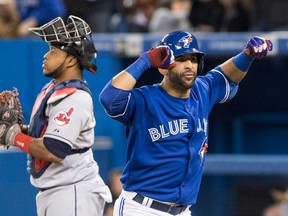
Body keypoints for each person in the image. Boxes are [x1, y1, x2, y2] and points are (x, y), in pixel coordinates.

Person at [99, 31, 272, 215]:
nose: (189, 65)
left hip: (182, 210)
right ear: (163, 67)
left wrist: (247, 55)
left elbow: (226, 76)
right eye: (181, 59)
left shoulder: (202, 90)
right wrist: (145, 61)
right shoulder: (145, 100)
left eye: (194, 59)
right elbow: (110, 98)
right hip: (142, 208)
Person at [1, 15, 112, 215]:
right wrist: (19, 130)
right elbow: (47, 135)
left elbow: (53, 150)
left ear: (71, 59)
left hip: (73, 193)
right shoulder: (53, 89)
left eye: (53, 51)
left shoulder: (74, 98)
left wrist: (13, 136)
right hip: (61, 193)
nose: (46, 56)